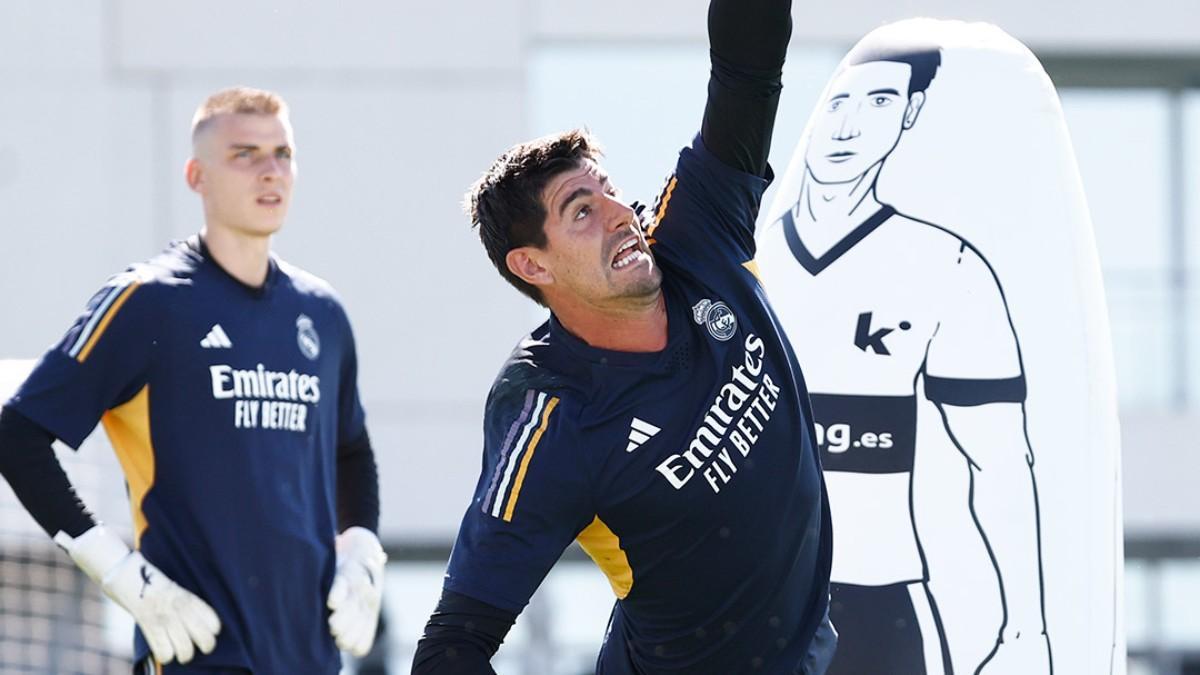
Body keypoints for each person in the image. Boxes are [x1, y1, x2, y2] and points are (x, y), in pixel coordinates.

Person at [412, 1, 835, 673]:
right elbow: (452, 646)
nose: (618, 214)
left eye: (608, 190)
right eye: (582, 211)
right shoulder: (552, 414)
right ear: (533, 264)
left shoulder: (695, 232)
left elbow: (748, 71)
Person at [0, 87, 386, 674]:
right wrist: (117, 570)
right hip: (195, 654)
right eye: (245, 154)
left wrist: (362, 550)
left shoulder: (323, 313)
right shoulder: (146, 302)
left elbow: (352, 450)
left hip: (311, 658)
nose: (270, 170)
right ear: (196, 176)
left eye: (283, 152)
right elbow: (17, 434)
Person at [757, 40, 1051, 674]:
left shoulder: (946, 267)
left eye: (881, 100)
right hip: (739, 606)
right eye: (838, 102)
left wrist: (1026, 632)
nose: (851, 124)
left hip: (875, 608)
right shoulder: (741, 267)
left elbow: (1000, 460)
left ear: (910, 113)